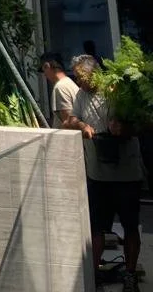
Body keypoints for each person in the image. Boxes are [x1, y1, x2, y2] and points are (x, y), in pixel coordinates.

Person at [67, 54, 144, 291]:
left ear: (97, 73)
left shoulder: (118, 90)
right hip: (97, 175)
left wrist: (125, 128)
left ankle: (129, 274)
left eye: (84, 79)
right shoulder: (81, 95)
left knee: (130, 226)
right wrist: (82, 126)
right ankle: (95, 274)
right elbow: (71, 119)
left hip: (126, 174)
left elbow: (144, 122)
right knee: (97, 227)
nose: (81, 84)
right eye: (78, 80)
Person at [40, 51, 79, 128]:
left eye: (44, 70)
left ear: (47, 66)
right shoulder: (69, 82)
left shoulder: (60, 87)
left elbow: (69, 122)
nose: (44, 75)